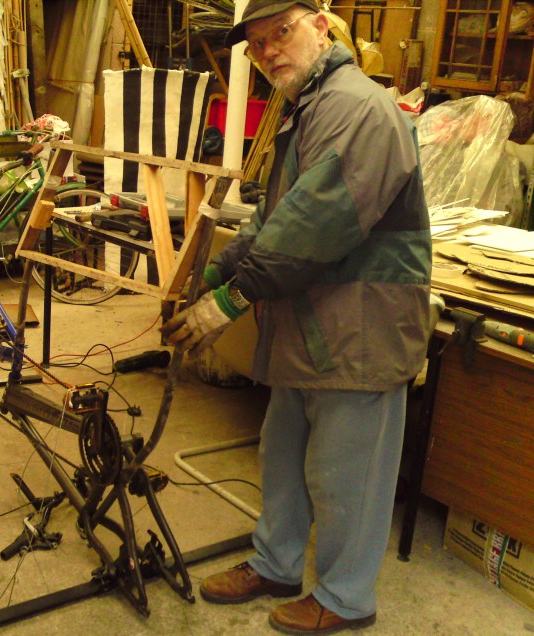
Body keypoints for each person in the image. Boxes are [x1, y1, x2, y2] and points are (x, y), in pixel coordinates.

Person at [161, 0, 433, 633]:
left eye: (280, 32)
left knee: (346, 476)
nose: (268, 52)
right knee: (282, 457)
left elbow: (312, 225)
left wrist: (226, 303)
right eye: (256, 44)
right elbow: (274, 214)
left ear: (320, 24)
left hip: (360, 331)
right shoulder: (308, 106)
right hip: (310, 324)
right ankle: (276, 563)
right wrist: (216, 271)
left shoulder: (358, 108)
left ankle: (345, 598)